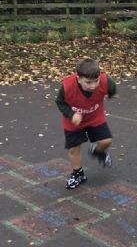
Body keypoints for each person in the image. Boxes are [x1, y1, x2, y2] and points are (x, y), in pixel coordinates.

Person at [55, 58, 117, 190]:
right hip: (74, 121)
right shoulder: (67, 87)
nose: (93, 86)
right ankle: (78, 174)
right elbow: (60, 102)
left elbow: (112, 88)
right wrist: (71, 114)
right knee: (74, 149)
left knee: (106, 141)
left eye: (96, 81)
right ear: (78, 79)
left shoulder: (105, 81)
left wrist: (111, 94)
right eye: (88, 82)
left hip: (95, 117)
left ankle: (97, 151)